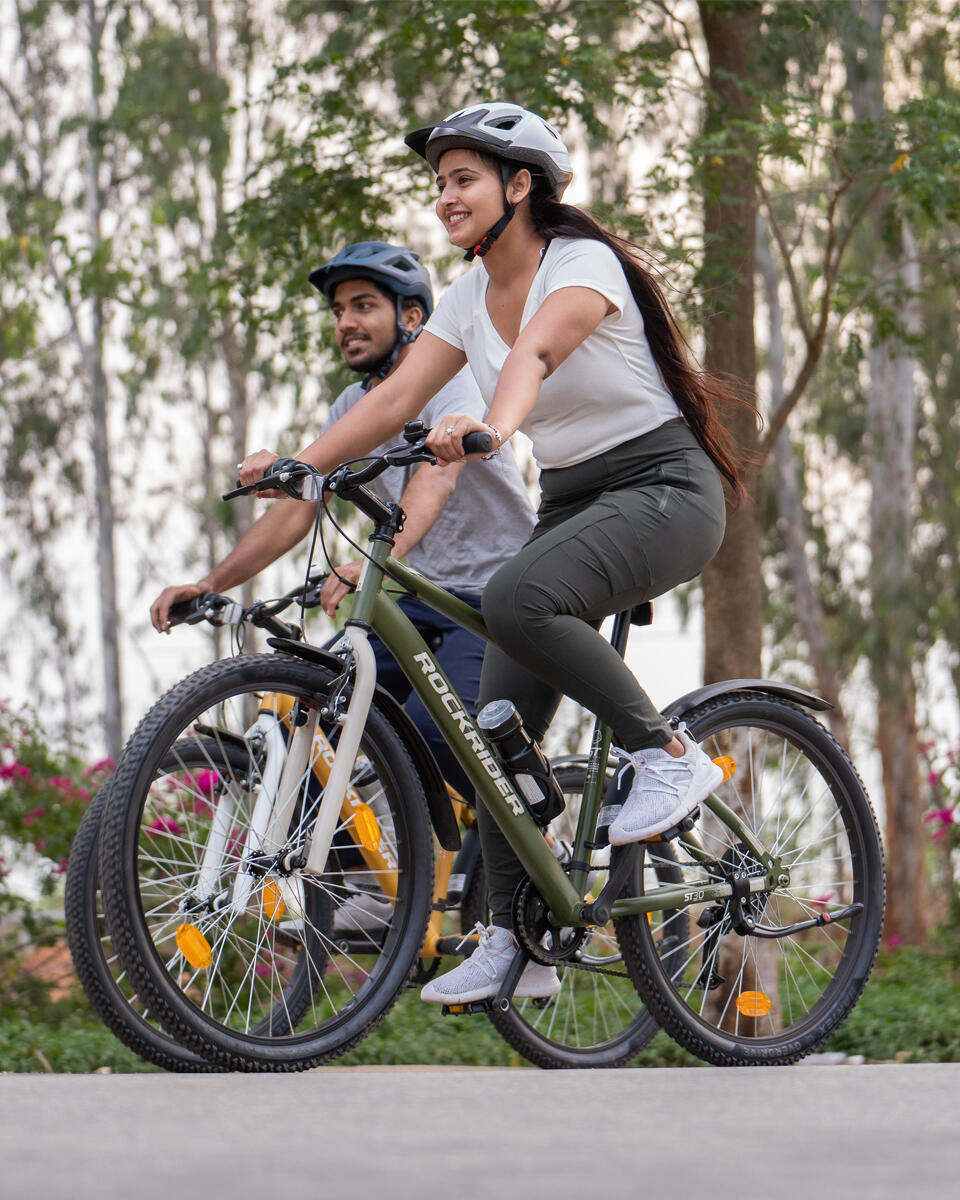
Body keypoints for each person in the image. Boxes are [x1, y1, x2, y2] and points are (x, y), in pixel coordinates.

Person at [235, 102, 747, 1003]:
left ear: (521, 185)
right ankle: (517, 938)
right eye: (439, 183)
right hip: (576, 501)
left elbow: (540, 351)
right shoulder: (469, 297)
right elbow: (393, 404)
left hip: (664, 489)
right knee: (493, 742)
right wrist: (299, 466)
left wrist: (492, 425)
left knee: (516, 594)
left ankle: (667, 753)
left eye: (463, 178)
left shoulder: (584, 264)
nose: (445, 198)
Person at [150, 241, 536, 928]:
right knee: (326, 713)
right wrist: (210, 582)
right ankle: (361, 884)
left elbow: (436, 476)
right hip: (420, 600)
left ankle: (513, 849)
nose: (346, 323)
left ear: (413, 317)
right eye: (338, 311)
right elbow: (297, 508)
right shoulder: (350, 406)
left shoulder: (452, 382)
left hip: (498, 598)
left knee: (432, 731)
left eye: (364, 306)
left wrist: (379, 559)